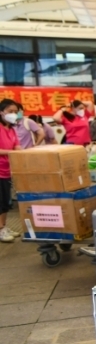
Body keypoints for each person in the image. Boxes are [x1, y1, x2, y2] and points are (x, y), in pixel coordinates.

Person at [0, 99, 22, 243]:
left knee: (6, 202)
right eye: (10, 111)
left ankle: (4, 226)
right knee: (0, 202)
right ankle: (1, 229)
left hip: (7, 170)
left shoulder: (12, 129)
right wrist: (12, 152)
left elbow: (17, 146)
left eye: (15, 111)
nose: (13, 114)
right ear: (1, 112)